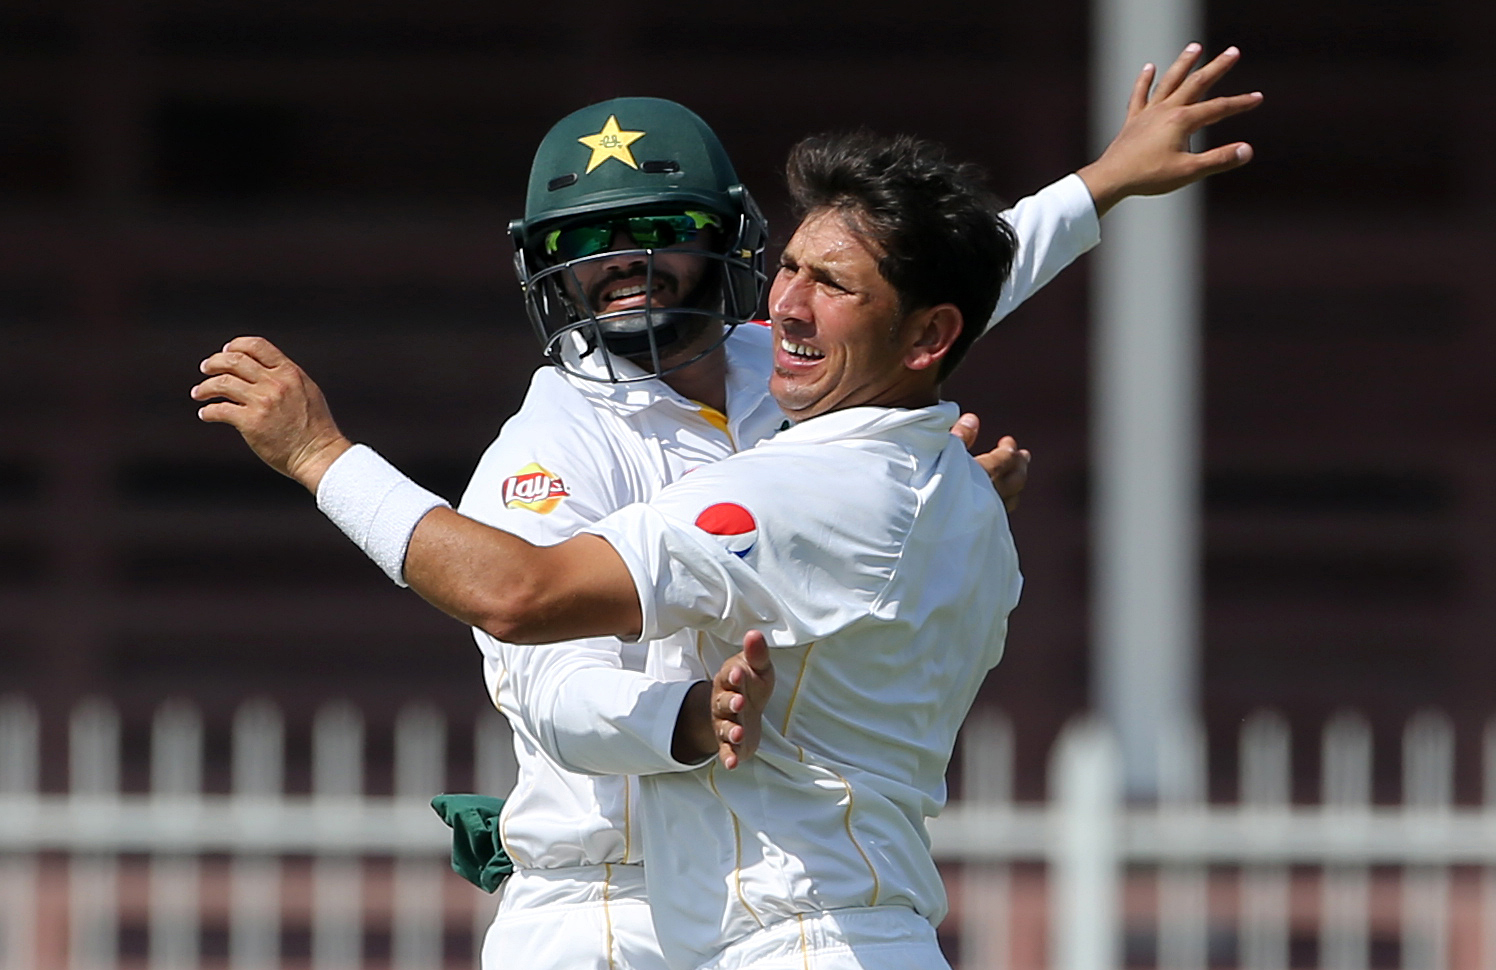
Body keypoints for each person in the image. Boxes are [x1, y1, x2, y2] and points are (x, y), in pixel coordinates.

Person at [192, 44, 1260, 970]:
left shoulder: (784, 361)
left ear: (723, 240)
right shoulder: (551, 444)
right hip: (598, 903)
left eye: (653, 230)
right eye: (583, 247)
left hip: (747, 896)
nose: (621, 267)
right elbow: (544, 678)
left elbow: (944, 277)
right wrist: (681, 718)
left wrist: (1103, 183)